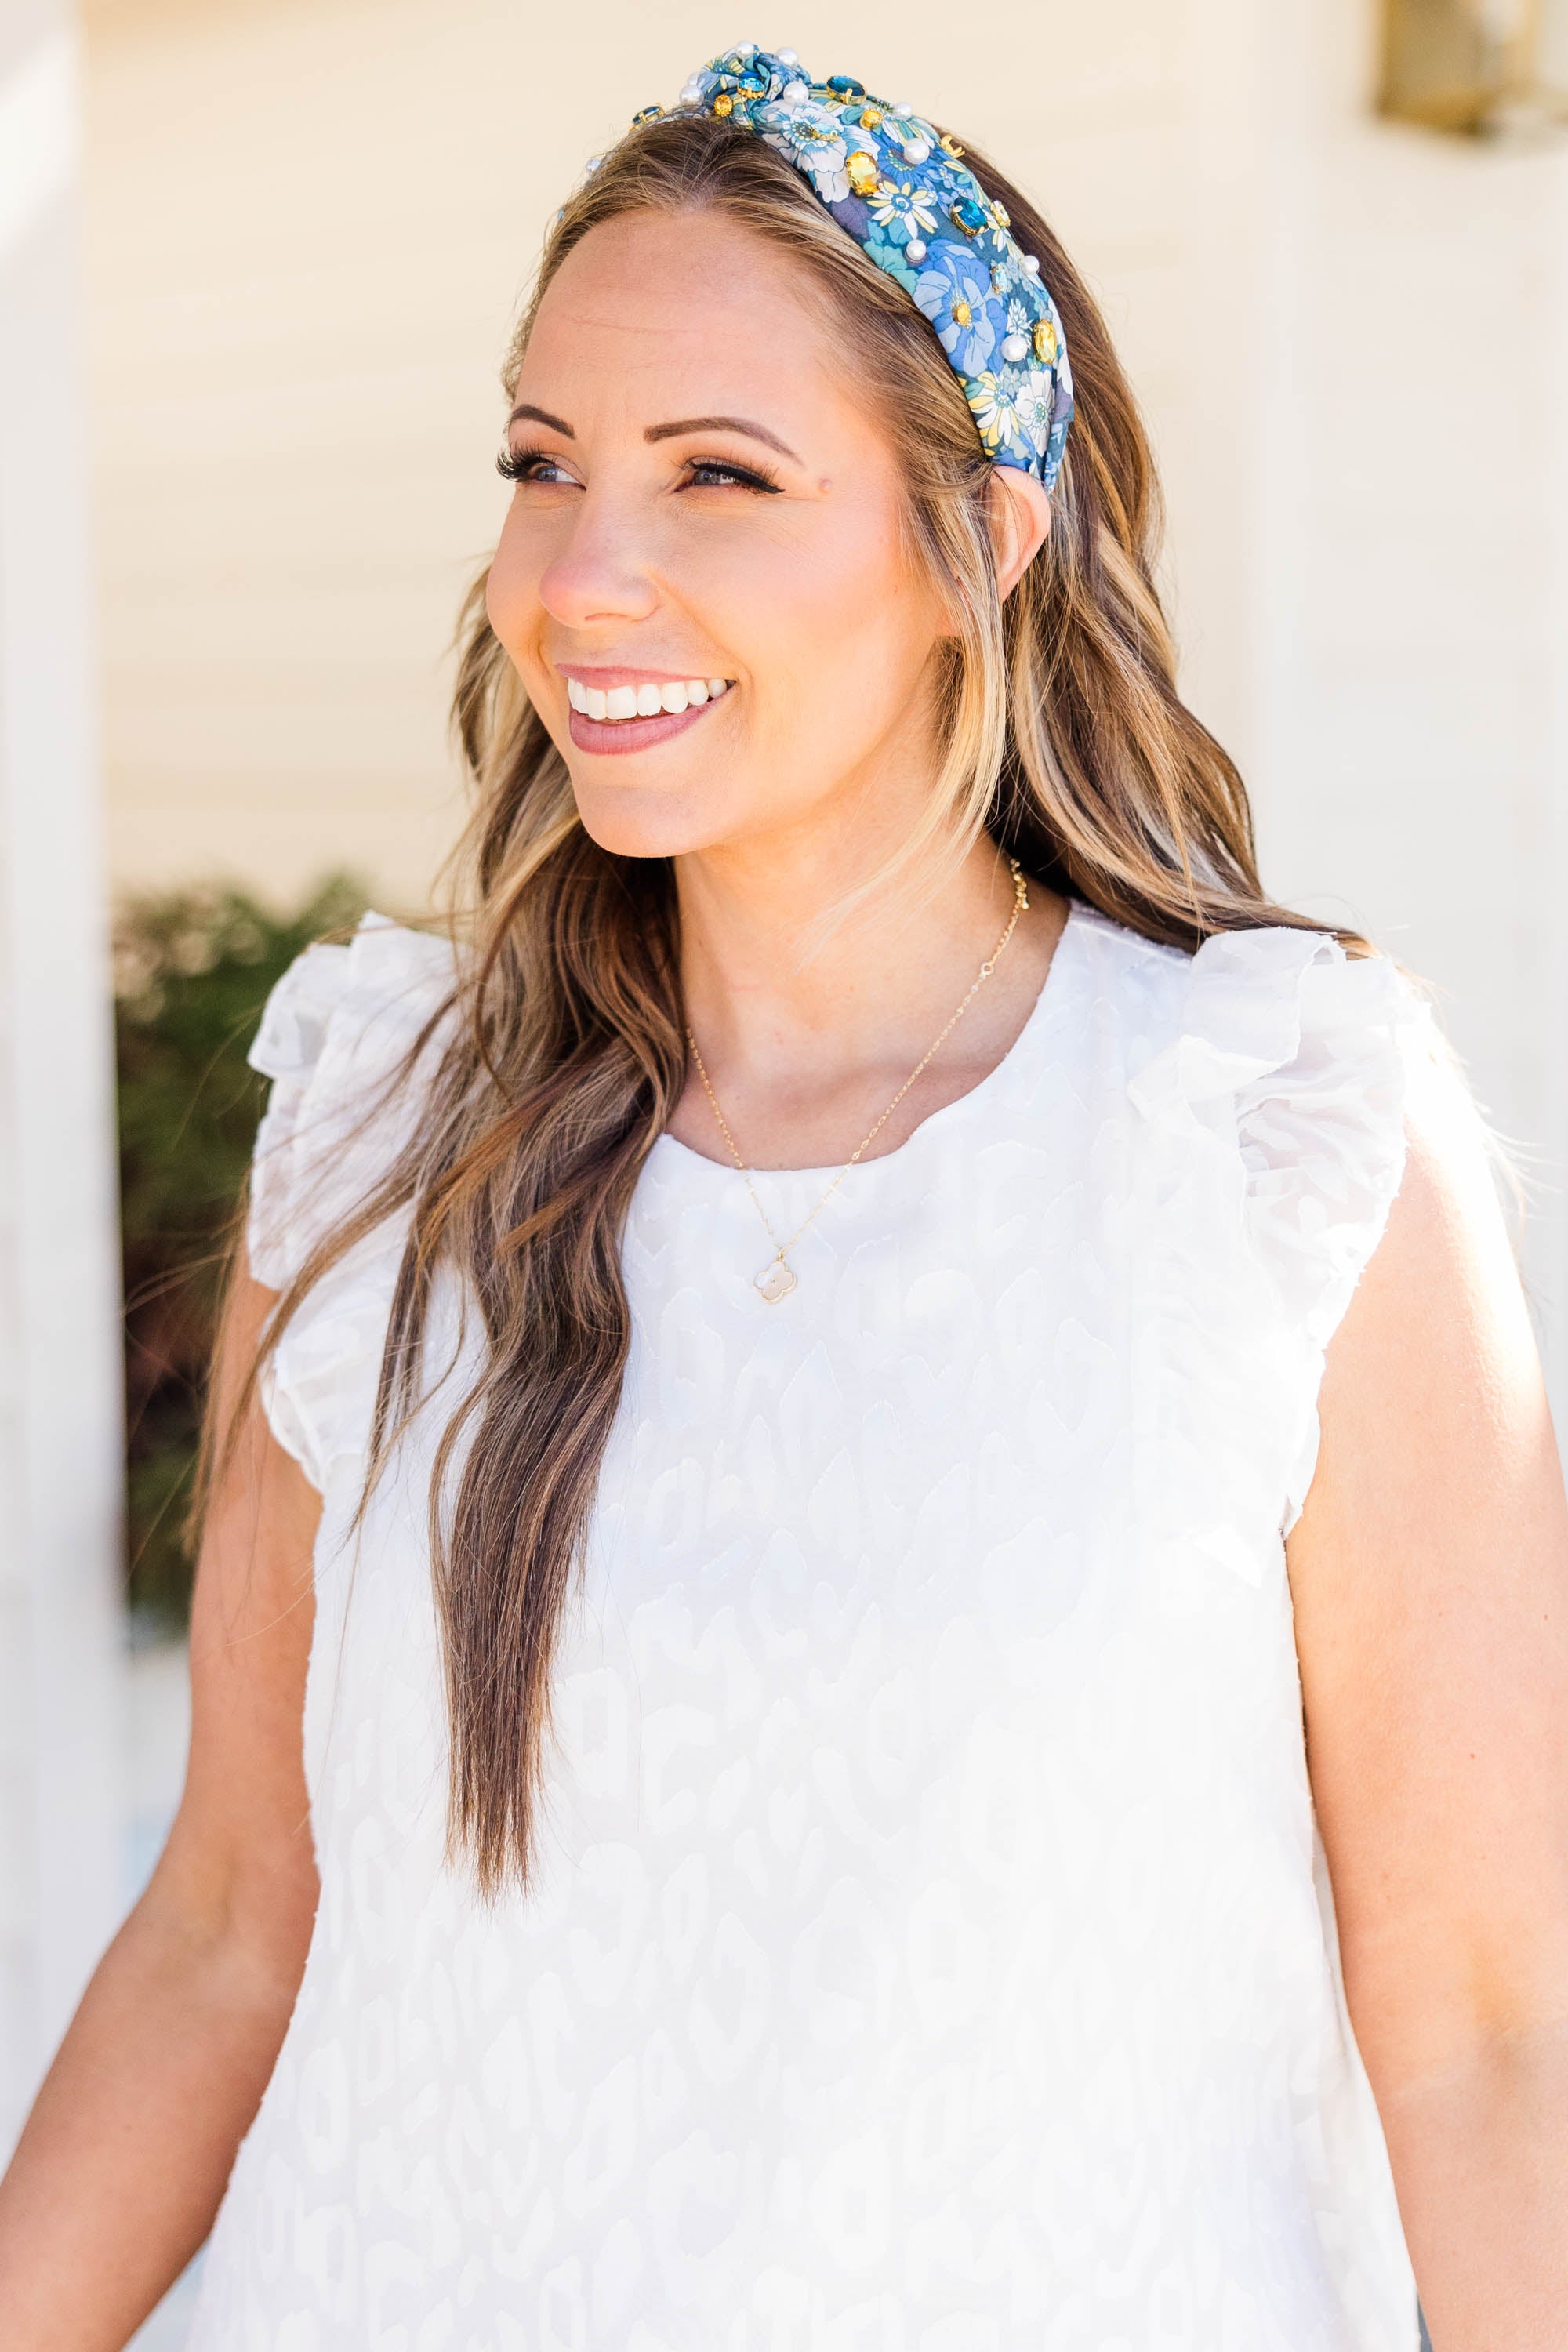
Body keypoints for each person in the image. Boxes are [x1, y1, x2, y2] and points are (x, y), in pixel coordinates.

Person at [2, 41, 1566, 2351]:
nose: (580, 577)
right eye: (543, 462)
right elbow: (226, 1930)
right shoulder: (384, 1128)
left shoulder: (1273, 1138)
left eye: (720, 475)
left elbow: (1486, 2039)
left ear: (981, 543)